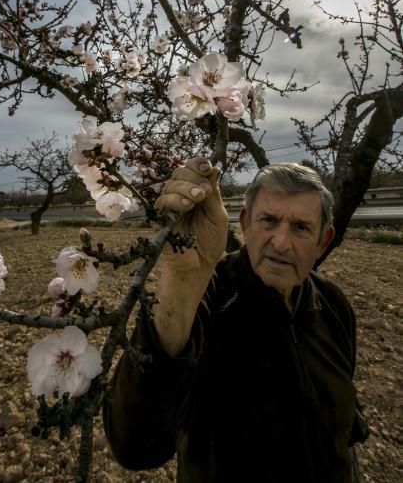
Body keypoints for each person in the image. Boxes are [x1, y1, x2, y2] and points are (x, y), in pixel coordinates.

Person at [103, 157, 368, 482]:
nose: (281, 243)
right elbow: (136, 447)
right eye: (269, 221)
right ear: (244, 224)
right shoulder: (207, 296)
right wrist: (183, 280)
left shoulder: (333, 305)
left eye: (300, 228)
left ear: (322, 241)